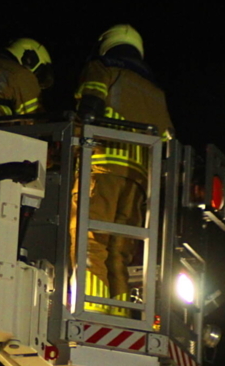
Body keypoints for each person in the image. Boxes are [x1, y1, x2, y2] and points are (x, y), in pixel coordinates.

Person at [71, 24, 174, 314]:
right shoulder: (155, 91)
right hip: (138, 180)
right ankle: (118, 317)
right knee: (119, 255)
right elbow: (168, 141)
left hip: (102, 164)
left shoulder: (102, 68)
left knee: (89, 241)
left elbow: (88, 108)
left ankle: (90, 312)